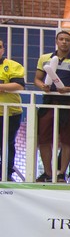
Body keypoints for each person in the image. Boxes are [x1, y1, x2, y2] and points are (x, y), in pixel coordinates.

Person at [34, 30, 70, 182]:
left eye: (67, 40)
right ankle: (47, 172)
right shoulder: (45, 59)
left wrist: (68, 90)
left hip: (69, 104)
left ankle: (61, 173)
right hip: (48, 102)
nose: (64, 42)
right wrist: (42, 86)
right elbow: (37, 79)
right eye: (61, 39)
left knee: (67, 140)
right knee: (44, 139)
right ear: (56, 41)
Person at [0, 38, 25, 181]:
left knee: (8, 143)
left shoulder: (13, 65)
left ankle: (7, 174)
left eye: (0, 47)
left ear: (3, 49)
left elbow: (19, 85)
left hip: (11, 113)